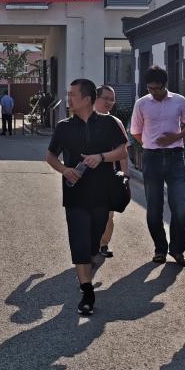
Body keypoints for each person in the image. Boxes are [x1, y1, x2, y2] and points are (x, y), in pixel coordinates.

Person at [45, 79, 128, 315]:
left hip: (102, 192)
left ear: (87, 99)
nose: (68, 99)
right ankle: (87, 292)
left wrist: (101, 157)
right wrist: (64, 170)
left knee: (93, 242)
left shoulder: (109, 123)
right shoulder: (63, 127)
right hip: (75, 193)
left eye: (73, 95)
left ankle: (89, 264)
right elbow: (50, 156)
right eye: (68, 94)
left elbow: (123, 151)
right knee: (79, 241)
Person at [130, 65, 185, 266]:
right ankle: (160, 249)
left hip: (175, 157)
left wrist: (175, 137)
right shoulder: (142, 103)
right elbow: (135, 131)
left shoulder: (179, 101)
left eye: (157, 88)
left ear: (165, 84)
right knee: (154, 208)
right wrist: (150, 143)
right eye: (150, 88)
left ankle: (177, 250)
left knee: (180, 207)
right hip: (152, 158)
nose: (154, 92)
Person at [95, 84, 130, 259]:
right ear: (95, 98)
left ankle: (103, 244)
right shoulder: (83, 120)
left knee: (108, 215)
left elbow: (123, 152)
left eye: (112, 99)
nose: (109, 102)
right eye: (105, 98)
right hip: (86, 176)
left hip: (109, 175)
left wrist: (125, 176)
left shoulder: (116, 123)